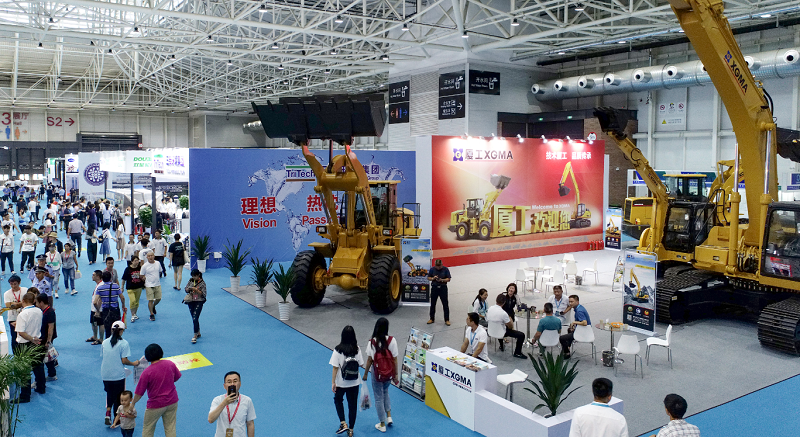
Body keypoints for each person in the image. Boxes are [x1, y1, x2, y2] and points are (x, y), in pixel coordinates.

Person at [133, 343, 181, 437]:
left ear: (147, 357)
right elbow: (176, 377)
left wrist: (133, 403)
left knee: (148, 428)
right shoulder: (170, 364)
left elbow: (139, 392)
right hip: (172, 401)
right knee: (170, 427)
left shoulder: (147, 372)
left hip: (155, 405)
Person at [362, 317, 399, 432]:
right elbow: (395, 359)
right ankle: (389, 416)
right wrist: (395, 374)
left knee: (378, 397)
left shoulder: (372, 342)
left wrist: (365, 374)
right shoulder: (392, 340)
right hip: (389, 373)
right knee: (385, 392)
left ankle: (382, 424)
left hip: (377, 374)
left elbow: (370, 360)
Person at [102, 321, 140, 426]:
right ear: (122, 331)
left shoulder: (104, 342)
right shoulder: (124, 343)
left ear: (111, 330)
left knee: (109, 393)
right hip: (118, 375)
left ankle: (108, 413)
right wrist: (134, 363)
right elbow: (124, 360)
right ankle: (117, 418)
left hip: (105, 373)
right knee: (119, 396)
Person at [329, 325, 363, 437]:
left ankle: (343, 423)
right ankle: (351, 430)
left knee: (338, 400)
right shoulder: (357, 349)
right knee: (352, 406)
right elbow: (361, 364)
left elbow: (335, 367)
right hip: (355, 382)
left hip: (341, 382)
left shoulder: (338, 349)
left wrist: (333, 382)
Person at [15, 291, 45, 402]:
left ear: (23, 301)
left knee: (24, 370)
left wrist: (31, 338)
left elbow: (21, 332)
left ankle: (25, 395)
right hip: (37, 342)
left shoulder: (22, 314)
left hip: (25, 344)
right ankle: (41, 387)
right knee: (38, 366)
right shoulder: (39, 311)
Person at [208, 371, 256, 437]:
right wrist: (224, 403)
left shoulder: (247, 401)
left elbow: (250, 424)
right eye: (229, 382)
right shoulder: (217, 400)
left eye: (235, 381)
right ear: (224, 386)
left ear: (240, 384)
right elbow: (210, 419)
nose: (232, 384)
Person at [487, 294, 527, 359]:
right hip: (501, 332)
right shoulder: (503, 313)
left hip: (491, 330)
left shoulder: (490, 308)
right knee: (521, 335)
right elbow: (510, 326)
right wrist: (510, 320)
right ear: (504, 302)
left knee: (499, 326)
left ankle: (501, 346)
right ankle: (517, 352)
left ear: (496, 300)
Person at [95, 271, 126, 338]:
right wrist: (123, 306)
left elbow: (95, 302)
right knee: (117, 327)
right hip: (115, 310)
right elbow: (122, 298)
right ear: (110, 278)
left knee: (108, 329)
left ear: (102, 278)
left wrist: (98, 310)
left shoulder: (99, 288)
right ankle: (117, 340)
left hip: (106, 311)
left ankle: (108, 342)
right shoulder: (116, 286)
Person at [35, 292, 57, 382]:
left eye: (37, 302)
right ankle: (52, 374)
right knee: (48, 357)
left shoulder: (50, 312)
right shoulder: (44, 311)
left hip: (46, 338)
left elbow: (51, 327)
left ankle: (51, 375)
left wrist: (48, 341)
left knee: (47, 357)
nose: (36, 304)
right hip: (44, 336)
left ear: (41, 302)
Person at [4, 275, 27, 351]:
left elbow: (28, 302)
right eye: (11, 284)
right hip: (12, 318)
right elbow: (8, 305)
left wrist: (15, 304)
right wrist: (21, 303)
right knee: (14, 337)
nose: (13, 286)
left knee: (24, 335)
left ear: (19, 283)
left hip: (24, 317)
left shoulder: (25, 291)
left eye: (15, 284)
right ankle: (16, 354)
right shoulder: (7, 293)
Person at [184, 269, 207, 343]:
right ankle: (198, 332)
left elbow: (204, 294)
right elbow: (186, 288)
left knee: (195, 317)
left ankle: (195, 335)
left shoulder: (202, 283)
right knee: (194, 318)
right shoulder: (190, 280)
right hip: (191, 301)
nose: (193, 277)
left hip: (199, 301)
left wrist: (196, 290)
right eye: (192, 276)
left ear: (198, 275)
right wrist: (188, 289)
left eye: (195, 276)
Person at [427, 259, 451, 326]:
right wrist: (433, 278)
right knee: (433, 304)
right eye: (437, 266)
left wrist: (442, 280)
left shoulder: (445, 269)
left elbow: (448, 279)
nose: (438, 267)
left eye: (439, 266)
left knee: (445, 304)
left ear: (442, 264)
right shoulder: (432, 269)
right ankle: (431, 318)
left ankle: (447, 319)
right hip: (434, 288)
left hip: (443, 288)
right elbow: (428, 277)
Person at [122, 255, 144, 323]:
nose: (137, 262)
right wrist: (122, 287)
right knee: (133, 301)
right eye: (135, 261)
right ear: (132, 261)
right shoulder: (128, 269)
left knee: (136, 302)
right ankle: (132, 315)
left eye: (138, 260)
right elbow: (124, 278)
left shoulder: (140, 268)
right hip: (130, 287)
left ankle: (135, 314)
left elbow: (143, 276)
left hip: (138, 287)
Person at [141, 251, 162, 321]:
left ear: (154, 256)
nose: (150, 257)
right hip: (149, 285)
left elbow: (160, 271)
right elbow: (141, 275)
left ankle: (153, 306)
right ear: (147, 257)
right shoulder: (144, 266)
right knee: (151, 300)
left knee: (158, 298)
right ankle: (151, 314)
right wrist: (144, 278)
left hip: (157, 284)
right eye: (149, 256)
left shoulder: (158, 263)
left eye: (151, 255)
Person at [88, 269, 105, 344]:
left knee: (100, 323)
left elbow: (100, 299)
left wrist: (97, 310)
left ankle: (101, 339)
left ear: (98, 276)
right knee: (93, 322)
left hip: (98, 309)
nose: (92, 276)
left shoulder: (101, 286)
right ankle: (95, 337)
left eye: (93, 275)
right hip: (94, 308)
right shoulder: (98, 284)